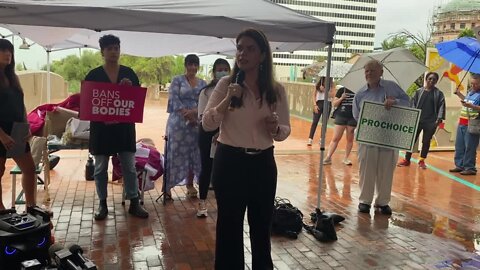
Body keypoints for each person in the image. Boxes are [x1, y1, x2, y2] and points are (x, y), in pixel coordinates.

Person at [202, 28, 291, 269]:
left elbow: (284, 130)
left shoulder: (276, 90)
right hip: (230, 162)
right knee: (229, 227)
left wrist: (275, 128)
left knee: (262, 227)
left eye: (250, 48)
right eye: (240, 48)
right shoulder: (225, 84)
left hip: (263, 163)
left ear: (263, 55)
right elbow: (207, 123)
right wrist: (226, 100)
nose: (243, 53)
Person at [84, 34, 148, 220]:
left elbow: (136, 102)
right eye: (110, 48)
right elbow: (88, 102)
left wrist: (129, 89)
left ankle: (134, 202)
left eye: (116, 48)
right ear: (102, 51)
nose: (114, 52)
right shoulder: (93, 75)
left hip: (124, 129)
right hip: (101, 130)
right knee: (100, 168)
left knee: (129, 167)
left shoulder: (129, 73)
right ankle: (102, 204)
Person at [352, 59, 410, 215]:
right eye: (367, 71)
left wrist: (395, 101)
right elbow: (357, 116)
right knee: (366, 168)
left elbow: (409, 104)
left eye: (373, 70)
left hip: (389, 137)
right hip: (368, 137)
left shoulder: (392, 87)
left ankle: (383, 202)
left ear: (381, 72)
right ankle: (365, 201)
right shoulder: (360, 94)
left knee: (386, 170)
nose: (369, 73)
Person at [0, 39, 38, 212]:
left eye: (10, 51)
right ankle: (1, 210)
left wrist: (27, 126)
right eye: (3, 50)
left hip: (17, 129)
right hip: (1, 132)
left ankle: (31, 206)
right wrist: (1, 135)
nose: (8, 54)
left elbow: (20, 104)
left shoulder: (12, 77)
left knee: (29, 169)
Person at [165, 54, 206, 198]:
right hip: (178, 124)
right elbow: (174, 99)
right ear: (185, 65)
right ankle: (168, 187)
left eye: (195, 64)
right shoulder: (177, 80)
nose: (193, 67)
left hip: (196, 123)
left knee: (194, 154)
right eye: (190, 64)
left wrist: (195, 112)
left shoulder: (203, 83)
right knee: (174, 153)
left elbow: (205, 102)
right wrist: (186, 113)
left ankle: (190, 184)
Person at [196, 58, 230, 218]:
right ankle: (202, 202)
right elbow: (203, 117)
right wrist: (215, 132)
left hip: (226, 135)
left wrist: (222, 132)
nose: (222, 72)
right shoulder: (206, 92)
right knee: (207, 168)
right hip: (207, 135)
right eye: (219, 69)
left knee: (224, 170)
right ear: (214, 72)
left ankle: (223, 203)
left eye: (225, 69)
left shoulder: (234, 91)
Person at [397, 72, 445, 169]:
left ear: (436, 81)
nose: (431, 81)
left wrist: (439, 118)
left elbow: (441, 106)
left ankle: (422, 160)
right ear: (426, 79)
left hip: (431, 122)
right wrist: (413, 114)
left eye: (434, 79)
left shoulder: (438, 94)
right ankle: (407, 159)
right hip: (417, 120)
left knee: (426, 141)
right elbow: (413, 103)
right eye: (430, 79)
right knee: (411, 140)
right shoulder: (419, 91)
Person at [449, 73, 480, 175]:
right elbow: (466, 100)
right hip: (462, 122)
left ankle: (470, 167)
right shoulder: (471, 92)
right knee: (460, 145)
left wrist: (472, 106)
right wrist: (459, 94)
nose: (473, 86)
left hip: (472, 124)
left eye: (475, 84)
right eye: (472, 84)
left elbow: (472, 105)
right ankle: (460, 165)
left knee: (470, 146)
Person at [323, 86, 356, 165]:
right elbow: (334, 104)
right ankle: (328, 157)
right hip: (341, 116)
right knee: (335, 138)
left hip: (353, 117)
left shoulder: (358, 91)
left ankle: (346, 158)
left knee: (350, 139)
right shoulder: (342, 90)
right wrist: (342, 98)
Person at [307, 76, 335, 146]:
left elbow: (332, 95)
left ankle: (322, 139)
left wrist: (325, 90)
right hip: (319, 103)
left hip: (327, 103)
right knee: (315, 121)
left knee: (324, 123)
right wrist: (315, 105)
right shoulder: (319, 84)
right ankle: (310, 139)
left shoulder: (331, 84)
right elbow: (314, 95)